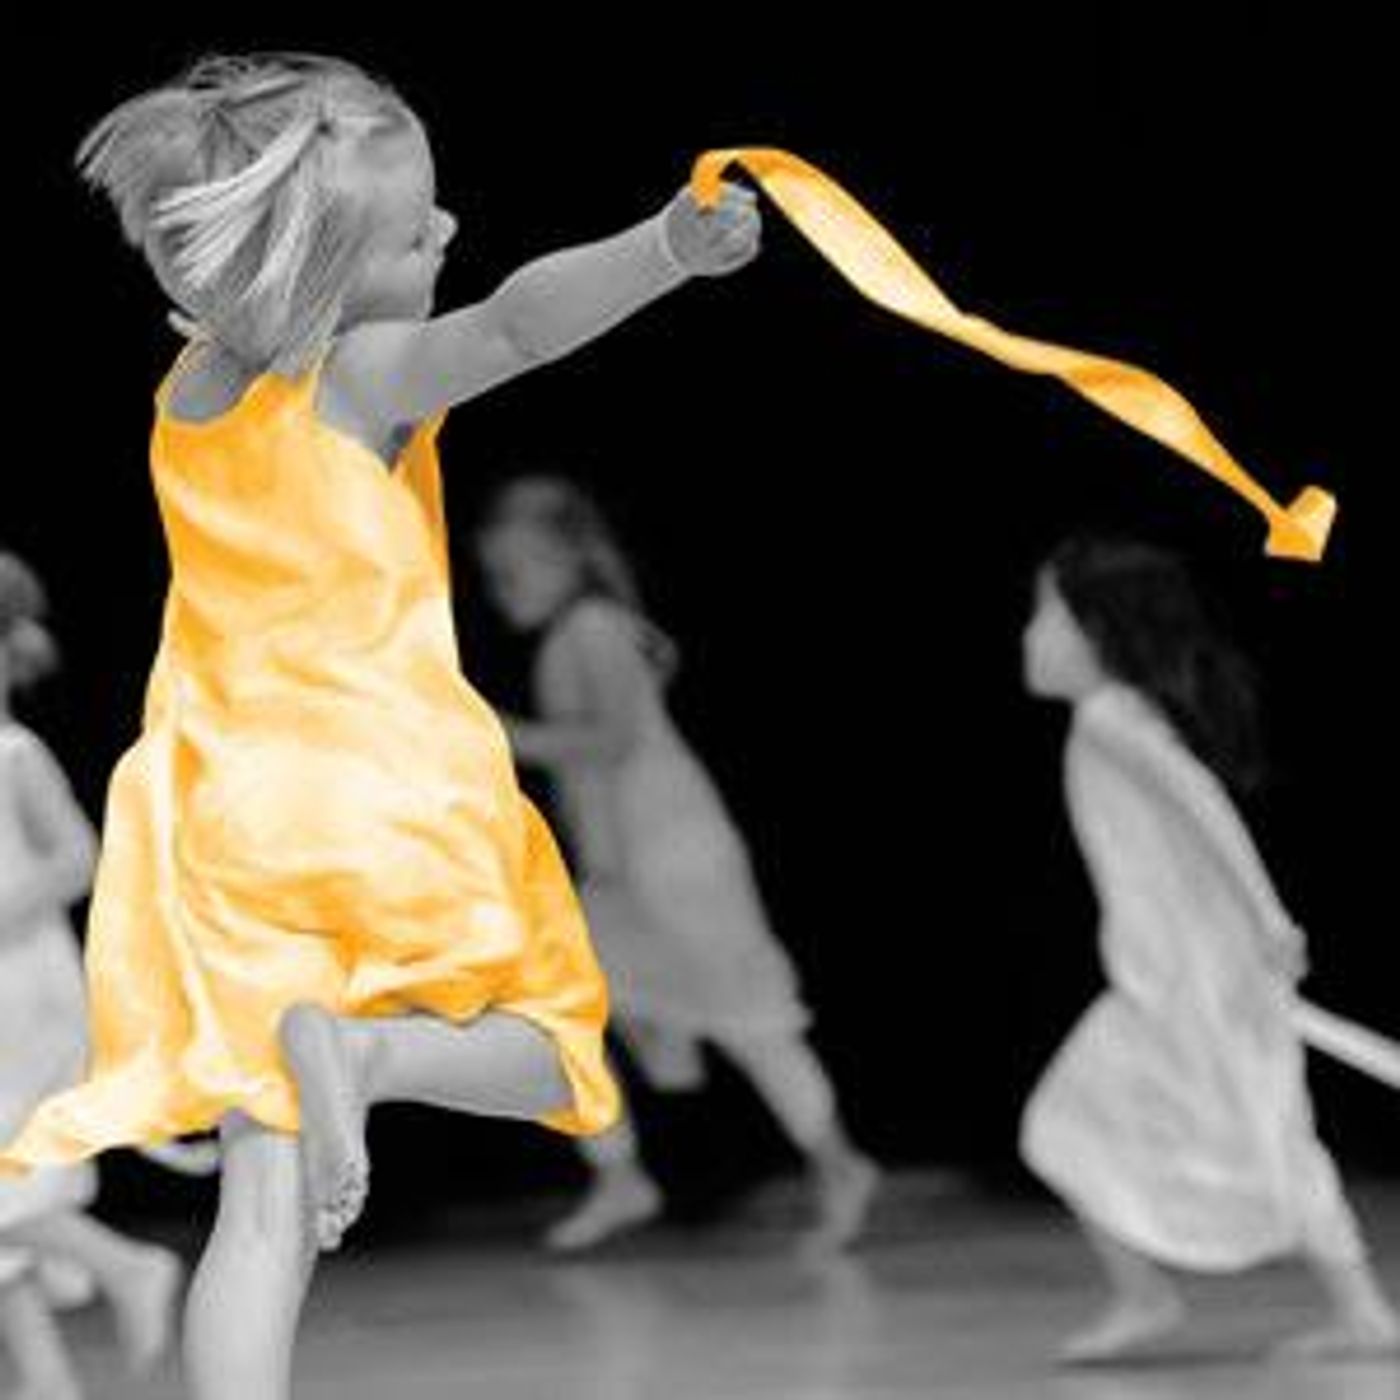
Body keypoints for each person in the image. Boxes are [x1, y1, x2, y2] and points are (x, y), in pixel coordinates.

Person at [0, 52, 760, 1400]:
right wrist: (662, 250)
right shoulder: (362, 376)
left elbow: (281, 294)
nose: (451, 234)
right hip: (373, 771)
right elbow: (517, 328)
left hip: (216, 801)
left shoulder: (190, 393)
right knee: (551, 1048)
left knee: (266, 1197)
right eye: (419, 231)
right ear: (314, 283)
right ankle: (368, 1048)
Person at [1018, 533, 1400, 1363]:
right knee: (1271, 1133)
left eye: (1044, 616)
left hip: (1187, 982)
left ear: (1099, 632)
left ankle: (1148, 1296)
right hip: (1186, 974)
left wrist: (1267, 920)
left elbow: (1203, 805)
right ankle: (1356, 1310)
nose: (1029, 636)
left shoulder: (1107, 719)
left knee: (1065, 1121)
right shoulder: (1112, 720)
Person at [474, 476, 878, 1252]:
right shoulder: (579, 632)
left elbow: (614, 743)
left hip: (673, 849)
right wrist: (601, 868)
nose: (503, 591)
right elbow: (594, 772)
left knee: (745, 1018)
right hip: (634, 853)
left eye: (514, 572)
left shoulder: (592, 626)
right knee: (562, 1006)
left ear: (565, 559)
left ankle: (835, 1163)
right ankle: (627, 1162)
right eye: (496, 576)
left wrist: (506, 733)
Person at [0, 551, 217, 1398]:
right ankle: (45, 1382)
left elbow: (76, 856)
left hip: (24, 988)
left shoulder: (12, 750)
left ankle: (128, 1270)